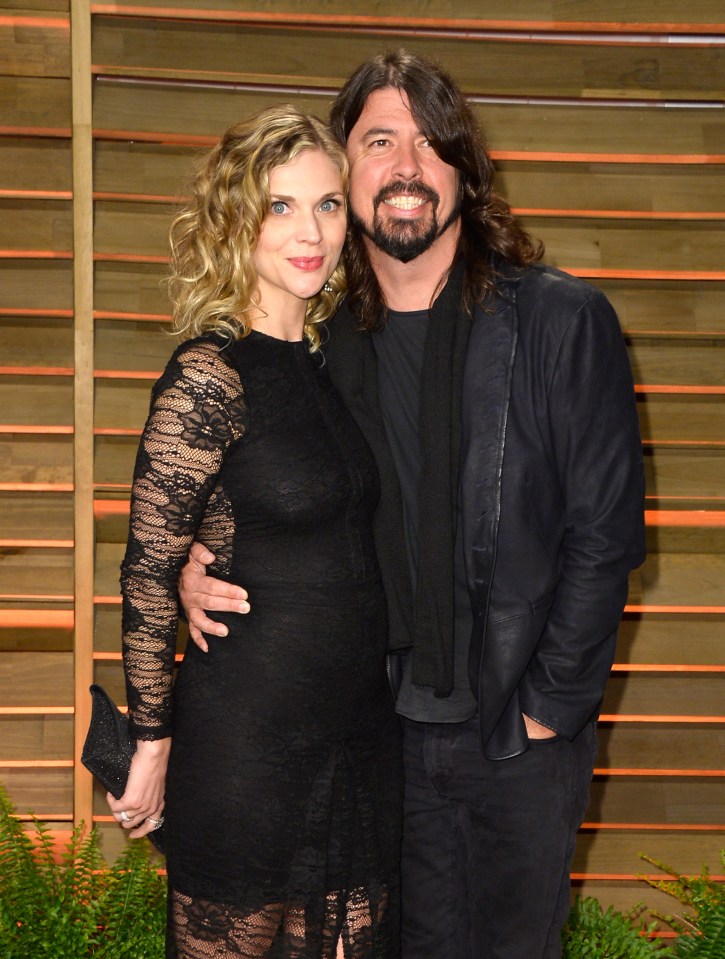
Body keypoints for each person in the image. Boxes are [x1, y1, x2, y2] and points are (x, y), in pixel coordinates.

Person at [179, 51, 646, 959]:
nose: (406, 165)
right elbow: (276, 494)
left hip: (518, 732)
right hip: (372, 729)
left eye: (433, 145)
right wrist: (204, 558)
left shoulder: (559, 322)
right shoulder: (315, 341)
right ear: (341, 173)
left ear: (465, 173)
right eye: (379, 140)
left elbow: (605, 535)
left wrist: (549, 706)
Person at [106, 104, 402, 959]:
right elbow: (147, 570)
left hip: (352, 744)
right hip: (248, 750)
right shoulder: (208, 374)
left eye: (328, 204)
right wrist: (151, 744)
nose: (310, 231)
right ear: (237, 219)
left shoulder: (324, 364)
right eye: (280, 206)